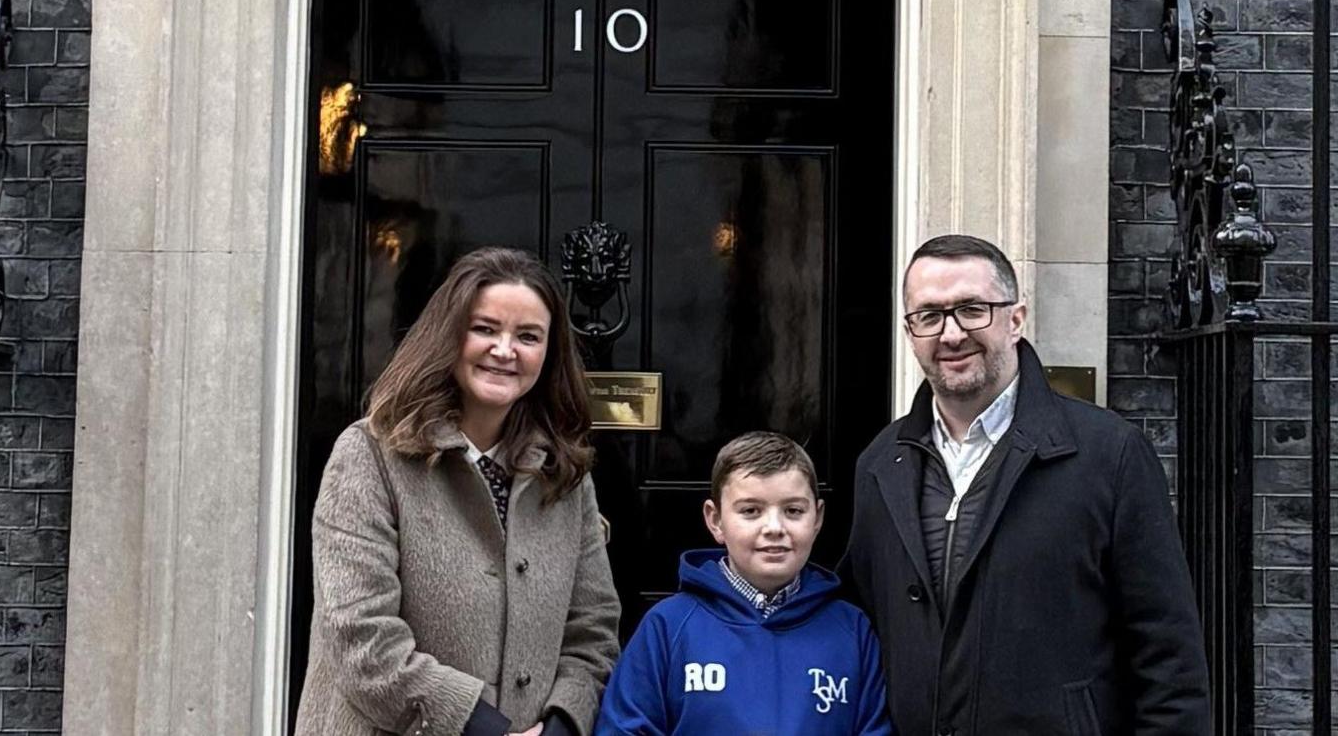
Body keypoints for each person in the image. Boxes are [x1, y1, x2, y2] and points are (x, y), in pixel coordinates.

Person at [840, 234, 1209, 734]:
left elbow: (1168, 658)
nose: (950, 334)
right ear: (910, 332)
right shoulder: (880, 464)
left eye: (972, 309)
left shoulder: (1110, 455)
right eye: (929, 315)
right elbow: (857, 631)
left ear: (1015, 320)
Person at [295, 247, 621, 736]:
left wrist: (560, 724)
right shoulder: (369, 455)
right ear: (449, 336)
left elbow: (592, 630)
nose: (505, 350)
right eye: (485, 329)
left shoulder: (565, 472)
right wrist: (483, 727)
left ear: (549, 354)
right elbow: (361, 636)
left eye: (528, 336)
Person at [595, 431, 892, 735]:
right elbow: (624, 728)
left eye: (793, 511)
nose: (774, 528)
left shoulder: (852, 631)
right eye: (751, 511)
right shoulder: (668, 627)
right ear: (715, 520)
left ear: (817, 518)